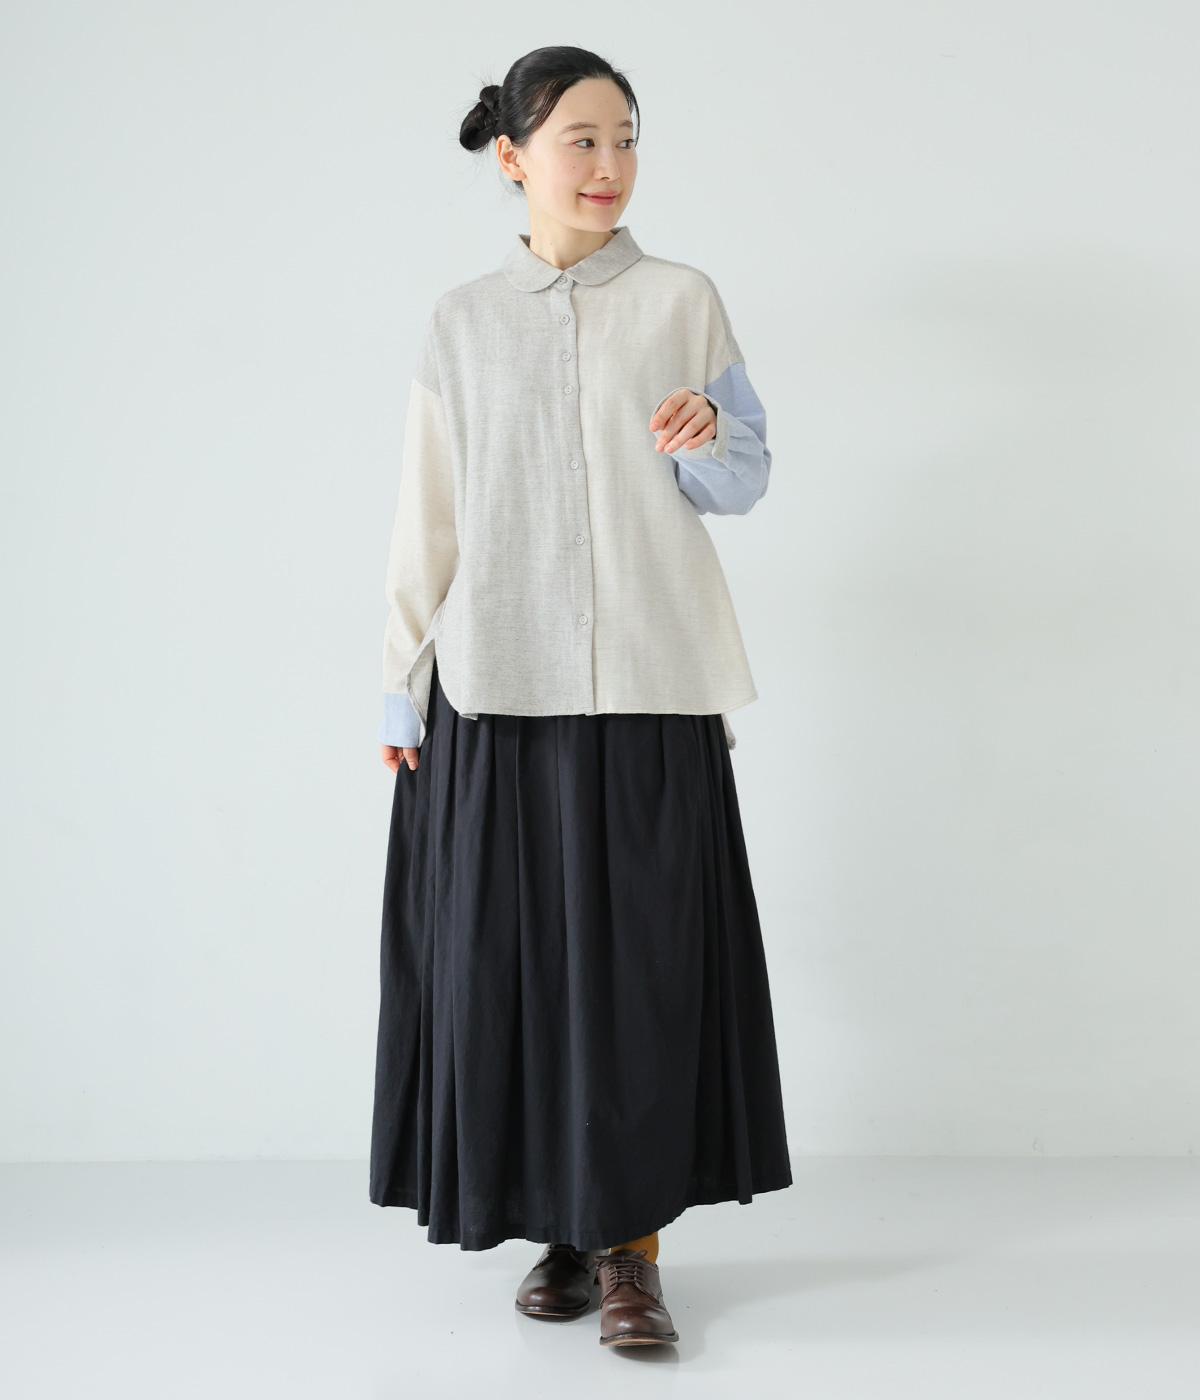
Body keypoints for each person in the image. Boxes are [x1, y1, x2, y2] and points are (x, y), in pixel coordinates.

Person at [369, 44, 792, 1351]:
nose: (609, 166)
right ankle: (559, 1227)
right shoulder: (461, 322)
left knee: (641, 975)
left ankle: (632, 1250)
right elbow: (428, 515)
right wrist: (398, 684)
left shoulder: (682, 300)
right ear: (513, 157)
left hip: (653, 688)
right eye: (581, 142)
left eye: (626, 139)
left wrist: (708, 440)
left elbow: (744, 480)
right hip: (495, 691)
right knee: (516, 974)